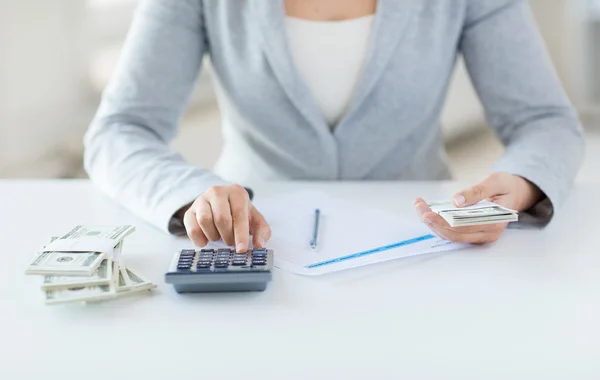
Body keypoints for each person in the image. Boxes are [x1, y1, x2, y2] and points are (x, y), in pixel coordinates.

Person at [84, 0, 584, 253]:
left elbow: (545, 121)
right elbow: (120, 129)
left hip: (422, 246)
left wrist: (520, 186)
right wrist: (195, 194)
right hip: (258, 245)